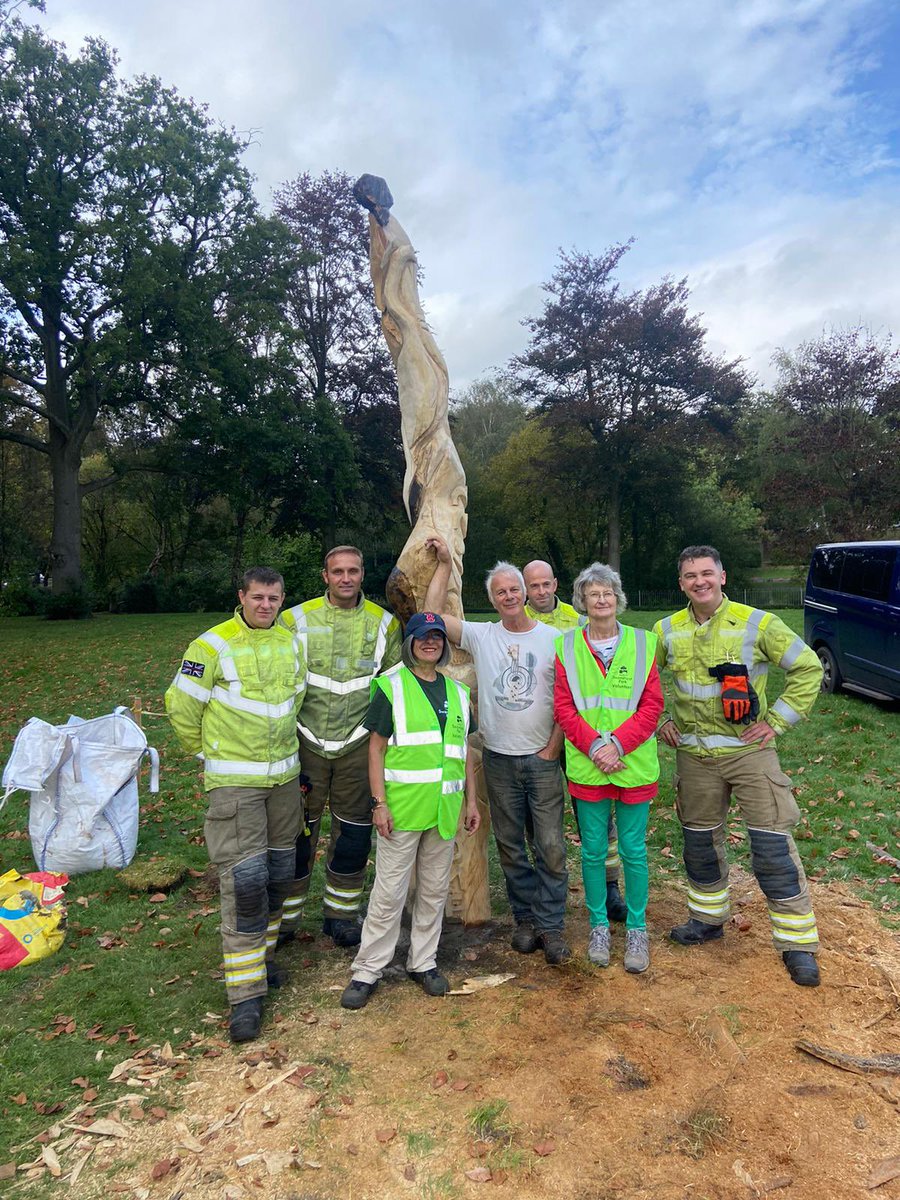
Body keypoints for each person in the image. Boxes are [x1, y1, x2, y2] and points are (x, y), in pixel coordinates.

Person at [653, 545, 824, 987]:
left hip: (749, 753)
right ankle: (707, 921)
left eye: (706, 573)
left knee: (771, 847)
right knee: (699, 844)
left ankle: (797, 944)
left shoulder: (757, 623)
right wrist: (660, 721)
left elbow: (807, 667)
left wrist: (776, 722)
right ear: (681, 583)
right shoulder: (665, 630)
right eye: (690, 575)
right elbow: (642, 681)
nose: (699, 582)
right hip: (694, 759)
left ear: (722, 577)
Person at [165, 567, 307, 1042]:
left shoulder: (290, 642)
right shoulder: (211, 646)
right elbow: (182, 708)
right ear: (242, 597)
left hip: (284, 782)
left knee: (280, 876)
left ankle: (261, 962)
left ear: (282, 599)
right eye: (258, 597)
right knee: (245, 884)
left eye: (274, 598)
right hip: (236, 787)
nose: (266, 605)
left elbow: (296, 700)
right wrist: (211, 755)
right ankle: (245, 996)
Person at [424, 536, 571, 964]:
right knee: (510, 845)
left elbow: (567, 697)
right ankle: (525, 920)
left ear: (526, 594)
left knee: (551, 846)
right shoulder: (482, 635)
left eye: (514, 590)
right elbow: (429, 615)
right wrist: (446, 563)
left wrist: (552, 749)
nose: (508, 596)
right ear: (492, 598)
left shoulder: (554, 639)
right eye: (500, 592)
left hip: (542, 759)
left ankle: (552, 925)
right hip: (498, 759)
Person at [340, 612, 481, 1009]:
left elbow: (465, 752)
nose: (430, 643)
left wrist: (471, 800)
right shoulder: (391, 686)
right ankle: (368, 969)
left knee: (434, 891)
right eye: (423, 637)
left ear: (444, 645)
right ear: (411, 642)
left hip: (444, 810)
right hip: (401, 810)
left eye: (437, 637)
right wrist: (379, 803)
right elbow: (376, 750)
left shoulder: (456, 692)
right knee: (389, 893)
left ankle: (424, 961)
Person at [280, 547, 402, 947]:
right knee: (298, 835)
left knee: (353, 835)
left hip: (357, 745)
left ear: (363, 573)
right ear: (325, 576)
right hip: (306, 742)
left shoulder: (384, 623)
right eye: (338, 572)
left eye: (352, 571)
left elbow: (391, 687)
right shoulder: (294, 619)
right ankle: (286, 918)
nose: (345, 578)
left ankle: (342, 916)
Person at [553, 564, 663, 972]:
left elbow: (652, 705)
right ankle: (599, 925)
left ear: (618, 598)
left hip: (632, 764)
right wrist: (596, 746)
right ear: (582, 601)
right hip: (587, 765)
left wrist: (617, 744)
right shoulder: (566, 646)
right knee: (594, 851)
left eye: (608, 593)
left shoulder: (644, 643)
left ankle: (637, 929)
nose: (601, 600)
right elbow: (563, 706)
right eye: (593, 594)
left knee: (633, 851)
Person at [524, 557, 628, 924]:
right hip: (535, 736)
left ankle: (609, 888)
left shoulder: (579, 618)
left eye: (545, 584)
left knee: (599, 821)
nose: (540, 591)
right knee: (540, 820)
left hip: (582, 737)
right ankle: (545, 890)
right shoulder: (516, 622)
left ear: (555, 583)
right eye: (532, 585)